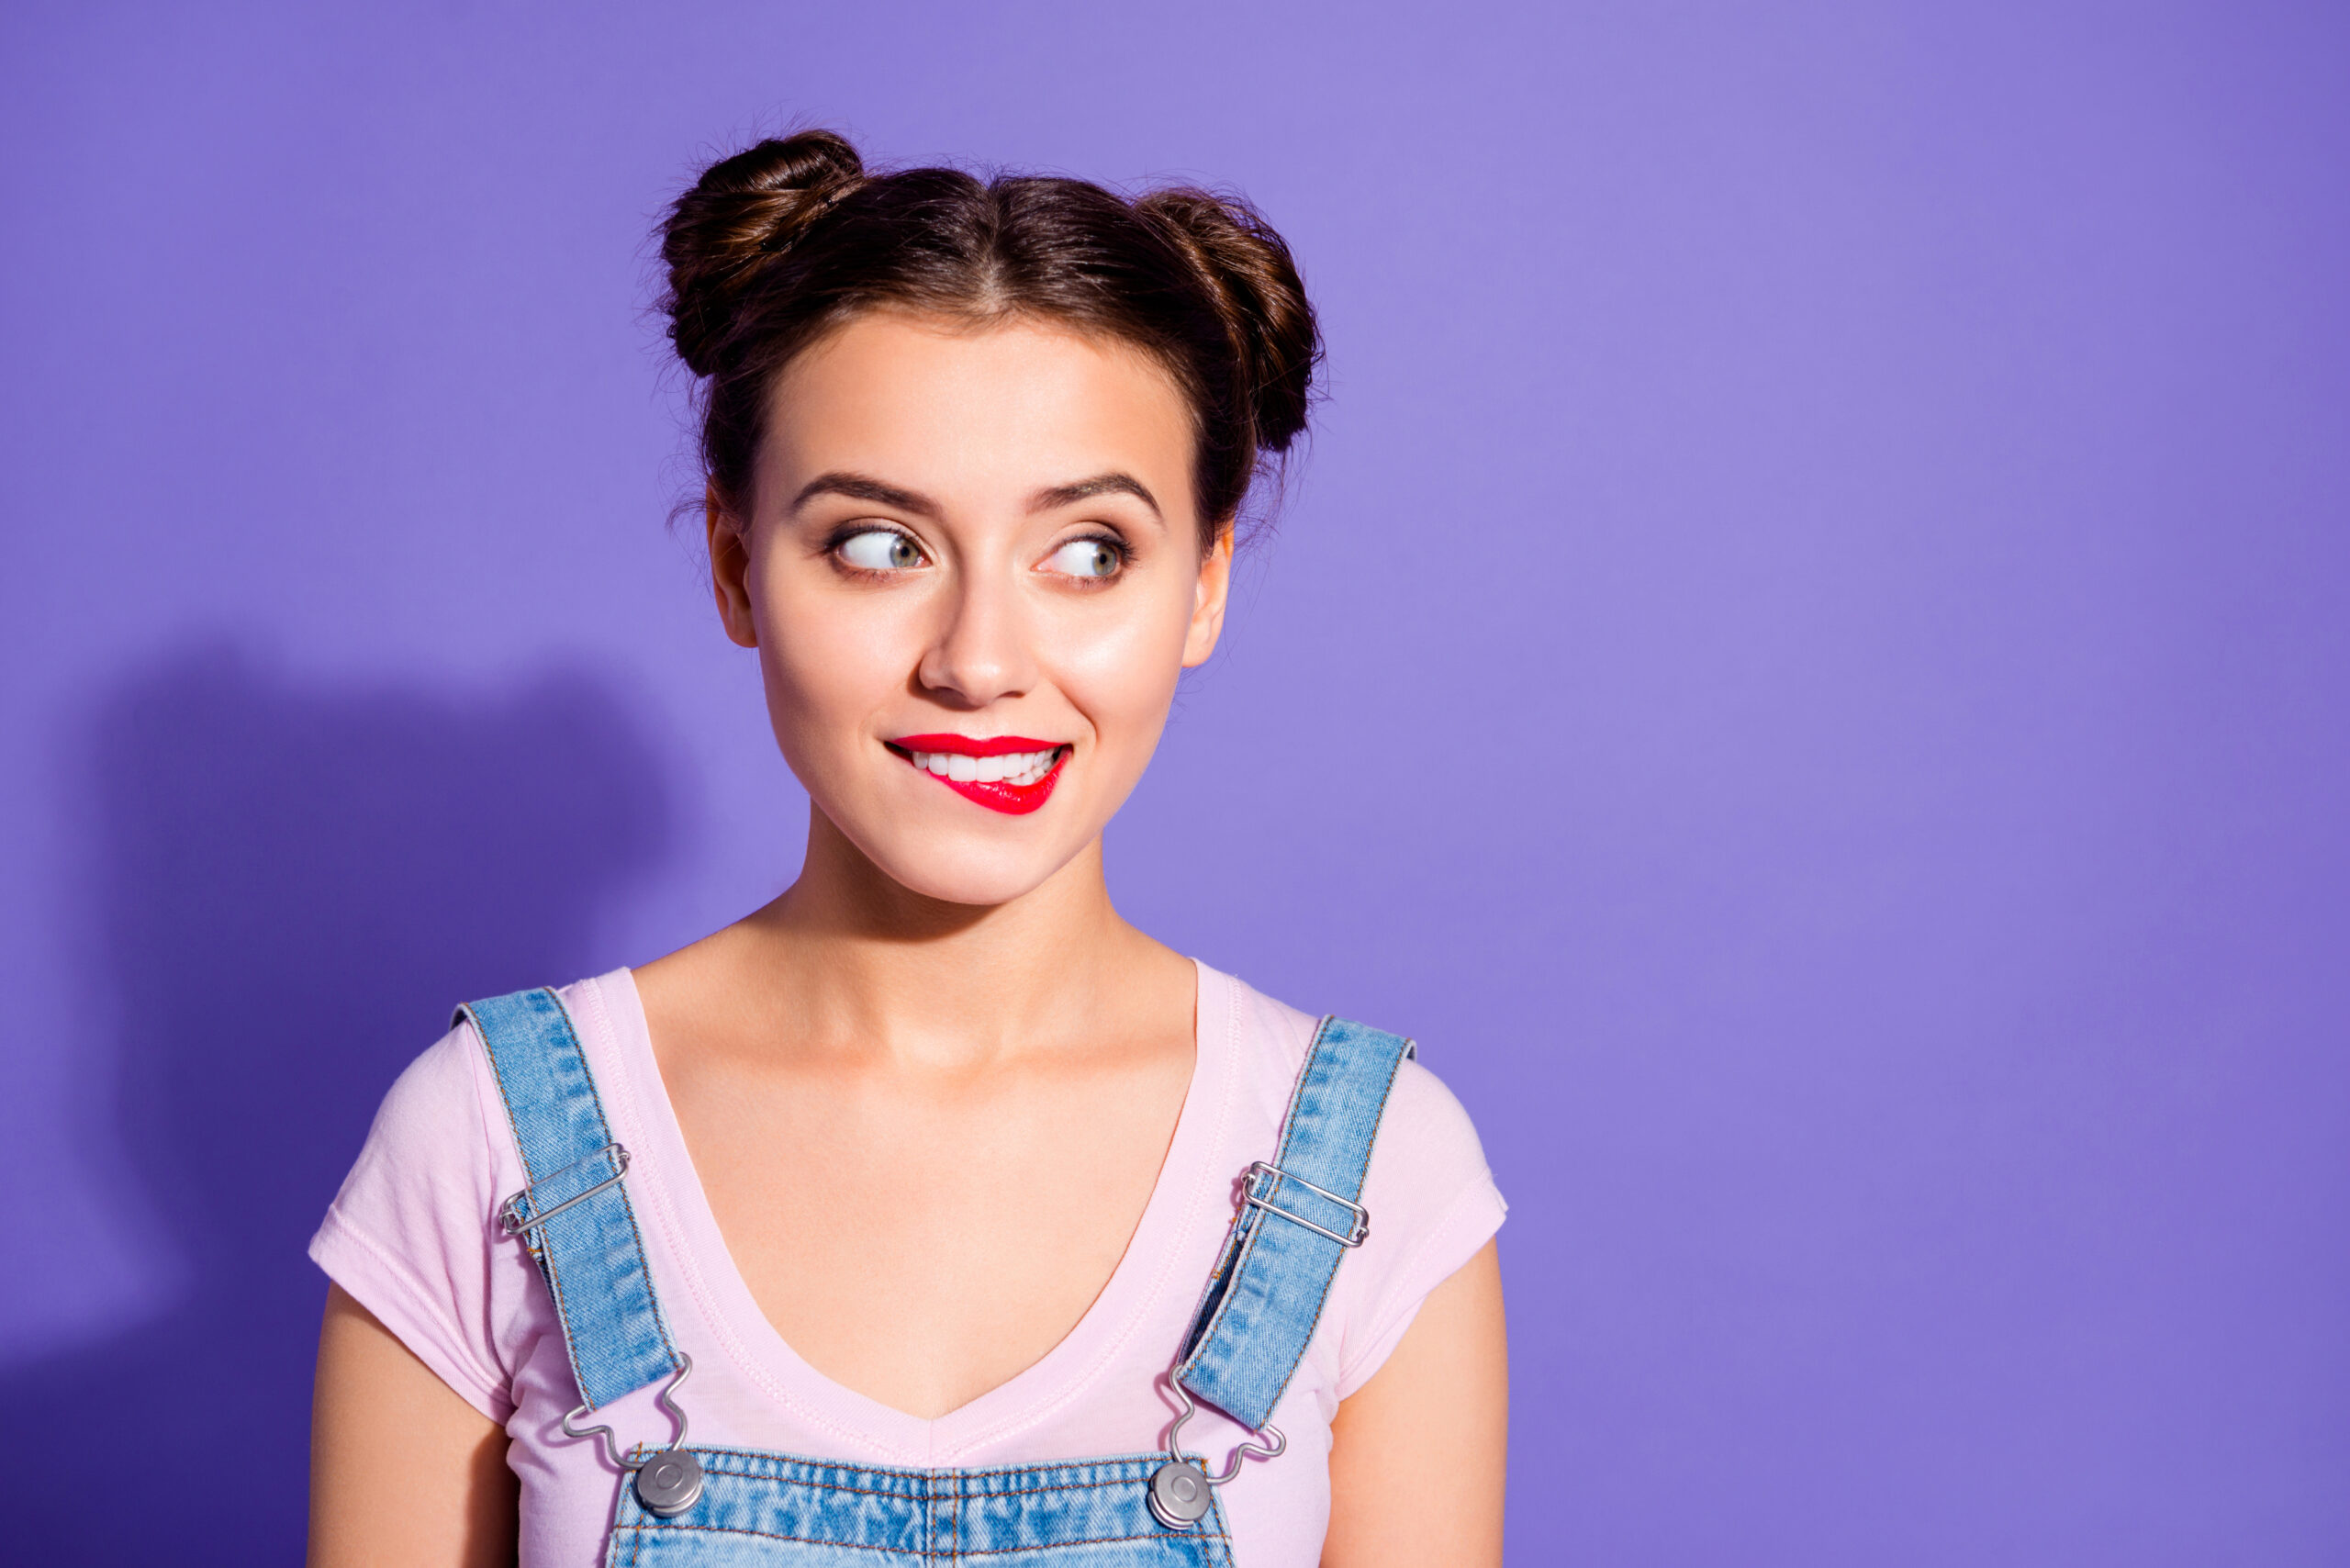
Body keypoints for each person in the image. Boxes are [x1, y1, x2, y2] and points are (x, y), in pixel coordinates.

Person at [305, 129, 1508, 1568]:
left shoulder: (1376, 1178)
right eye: (880, 545)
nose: (981, 662)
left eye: (1089, 553)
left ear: (1205, 585)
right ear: (738, 570)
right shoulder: (484, 1145)